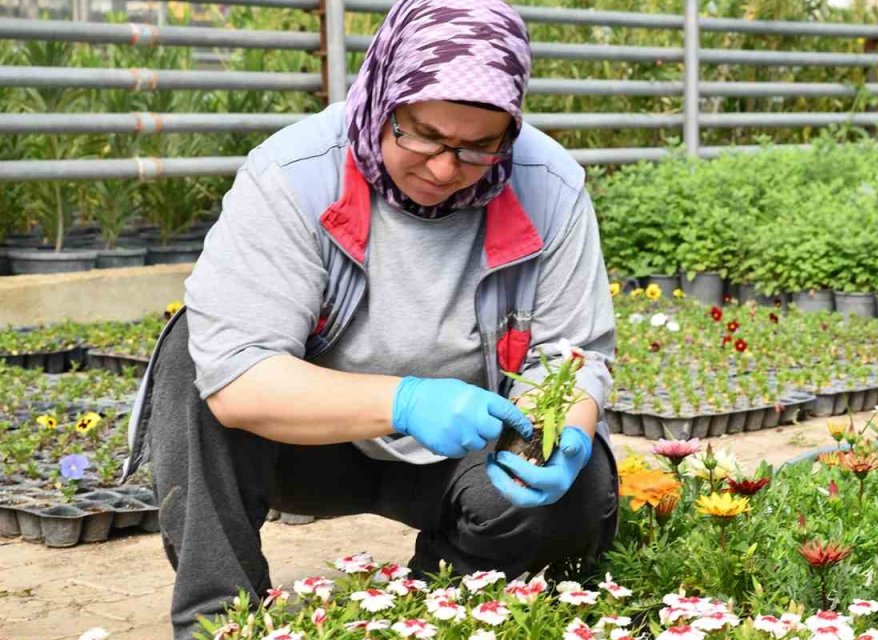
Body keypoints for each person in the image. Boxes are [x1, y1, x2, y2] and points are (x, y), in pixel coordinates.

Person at [119, 1, 619, 635]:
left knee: (579, 485)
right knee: (197, 348)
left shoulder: (549, 185)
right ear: (382, 96)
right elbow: (239, 376)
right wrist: (405, 401)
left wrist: (567, 431)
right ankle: (222, 619)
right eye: (424, 135)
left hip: (462, 451)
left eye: (477, 148)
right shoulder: (295, 174)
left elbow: (572, 353)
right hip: (303, 444)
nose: (444, 168)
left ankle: (433, 609)